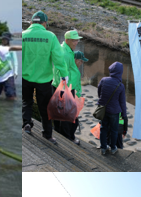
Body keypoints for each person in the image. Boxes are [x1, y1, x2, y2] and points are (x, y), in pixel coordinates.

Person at [21, 10, 68, 144]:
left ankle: (27, 124)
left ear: (31, 22)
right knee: (45, 107)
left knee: (27, 102)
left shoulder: (23, 35)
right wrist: (64, 74)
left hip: (26, 77)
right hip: (44, 80)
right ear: (44, 23)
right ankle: (47, 134)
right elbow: (58, 58)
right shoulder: (51, 37)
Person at [52, 35, 86, 146]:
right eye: (81, 61)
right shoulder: (67, 58)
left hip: (67, 93)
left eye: (77, 40)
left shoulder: (73, 67)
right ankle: (68, 138)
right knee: (70, 119)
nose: (81, 64)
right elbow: (61, 76)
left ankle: (62, 134)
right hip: (66, 92)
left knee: (65, 117)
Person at [98, 61, 127, 155]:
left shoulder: (103, 80)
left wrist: (104, 102)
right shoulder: (120, 86)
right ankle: (113, 148)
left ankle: (103, 147)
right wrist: (124, 115)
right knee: (114, 130)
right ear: (120, 73)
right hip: (115, 112)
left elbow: (99, 92)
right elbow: (122, 103)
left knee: (103, 128)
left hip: (104, 109)